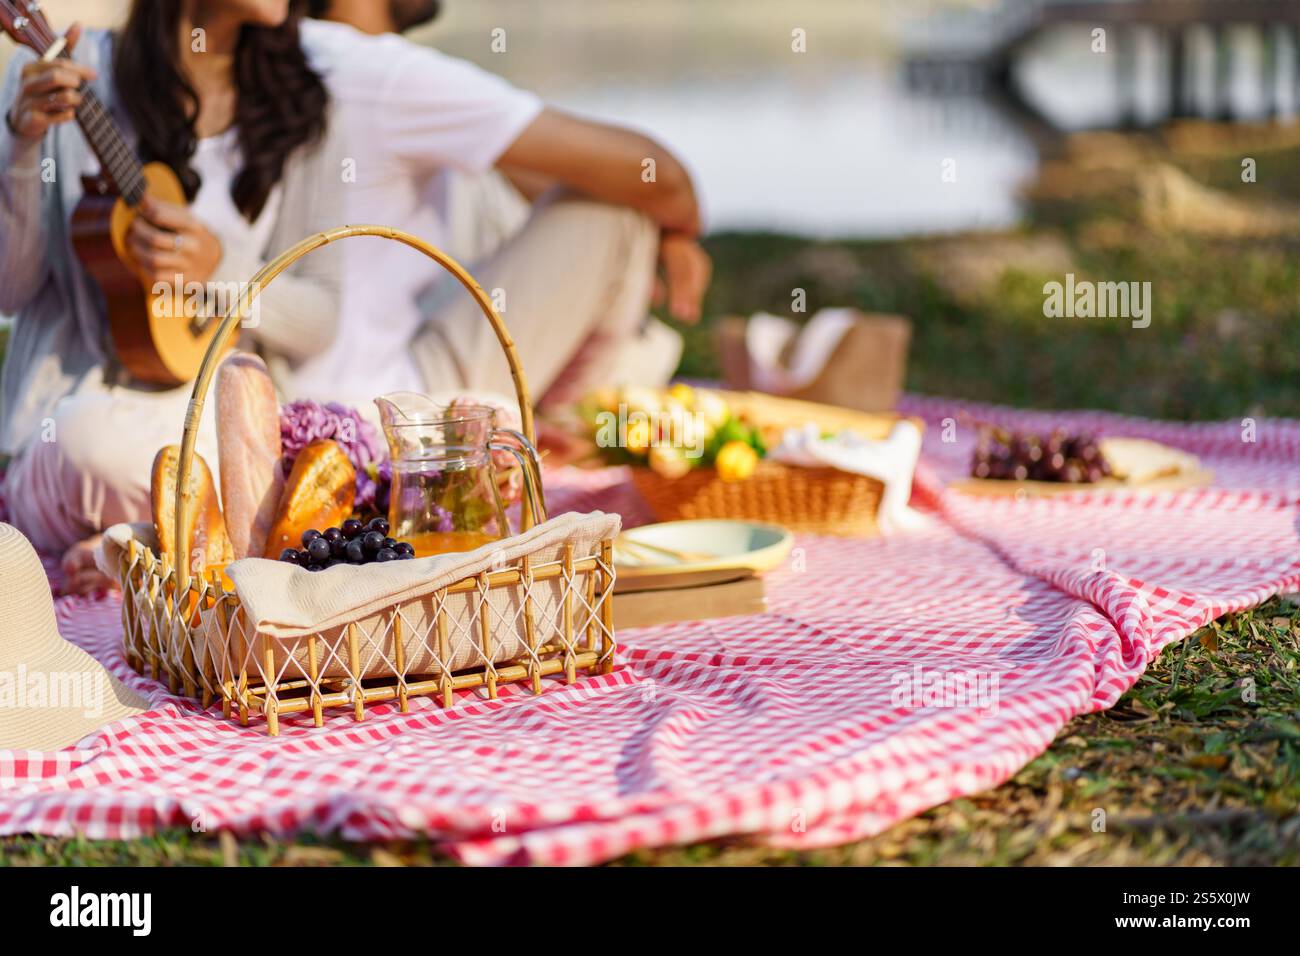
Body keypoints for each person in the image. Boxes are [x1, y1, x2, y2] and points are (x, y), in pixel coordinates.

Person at [0, 0, 347, 593]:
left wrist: (222, 268)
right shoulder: (69, 74)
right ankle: (188, 537)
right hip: (79, 437)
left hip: (214, 432)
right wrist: (23, 146)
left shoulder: (302, 107)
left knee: (291, 466)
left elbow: (319, 319)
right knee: (92, 440)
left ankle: (144, 542)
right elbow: (10, 288)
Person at [295, 0, 712, 413]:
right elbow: (660, 176)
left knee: (604, 192)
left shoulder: (291, 57)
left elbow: (551, 175)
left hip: (322, 380)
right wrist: (679, 231)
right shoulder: (384, 73)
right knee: (616, 212)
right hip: (392, 401)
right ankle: (566, 441)